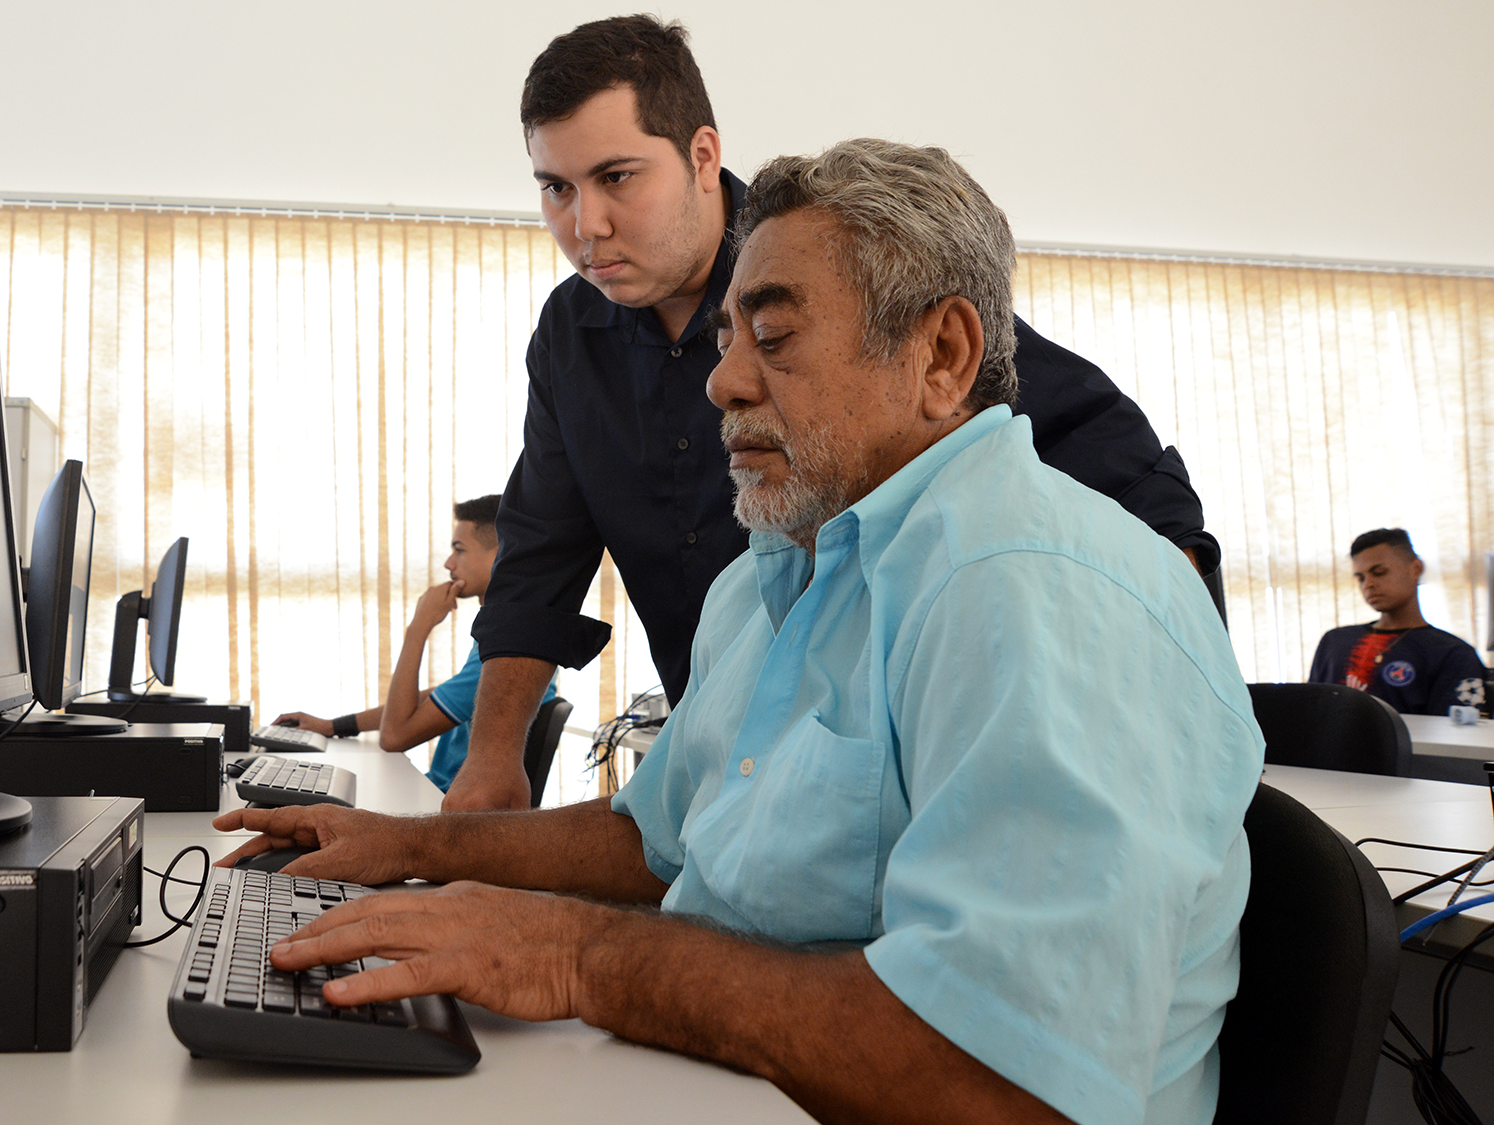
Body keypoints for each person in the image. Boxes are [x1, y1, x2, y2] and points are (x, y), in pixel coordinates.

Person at [216, 142, 1261, 1125]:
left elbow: (1003, 1078)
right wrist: (409, 846)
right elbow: (656, 839)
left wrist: (579, 958)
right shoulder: (773, 577)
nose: (720, 381)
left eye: (774, 337)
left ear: (941, 355)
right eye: (725, 339)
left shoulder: (1034, 592)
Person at [448, 15, 1221, 811]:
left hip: (877, 773)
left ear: (702, 156)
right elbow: (541, 552)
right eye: (556, 188)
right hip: (720, 761)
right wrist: (493, 758)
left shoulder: (824, 258)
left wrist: (1142, 725)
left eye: (617, 177)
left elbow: (1121, 477)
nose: (586, 225)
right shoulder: (570, 337)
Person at [271, 496, 554, 791]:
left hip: (449, 803)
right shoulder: (510, 634)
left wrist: (418, 627)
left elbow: (395, 737)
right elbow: (433, 699)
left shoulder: (511, 651)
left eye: (459, 550)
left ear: (502, 553)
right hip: (439, 794)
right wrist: (332, 726)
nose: (449, 563)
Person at [1308, 527, 1487, 716]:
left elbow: (1455, 732)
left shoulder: (1452, 653)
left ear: (1416, 569)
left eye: (1379, 572)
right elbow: (1310, 714)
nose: (1368, 584)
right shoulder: (1334, 641)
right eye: (1361, 578)